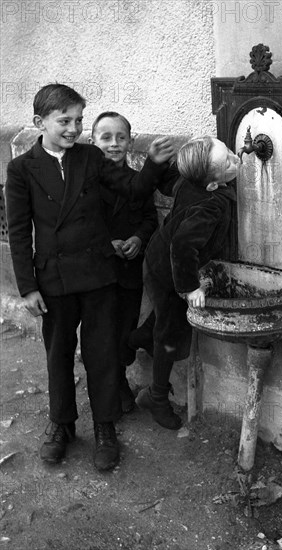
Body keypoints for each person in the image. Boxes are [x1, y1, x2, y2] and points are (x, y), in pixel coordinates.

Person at [5, 84, 173, 471]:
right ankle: (61, 425)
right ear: (39, 123)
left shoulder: (91, 158)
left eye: (79, 120)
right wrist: (27, 287)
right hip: (54, 278)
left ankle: (104, 427)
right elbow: (18, 231)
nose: (74, 128)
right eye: (64, 121)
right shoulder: (21, 170)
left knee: (101, 354)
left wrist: (152, 164)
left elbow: (132, 189)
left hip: (98, 274)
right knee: (58, 354)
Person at [135, 136, 239, 430]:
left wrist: (157, 163)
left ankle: (139, 337)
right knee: (170, 337)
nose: (236, 158)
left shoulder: (187, 179)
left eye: (230, 152)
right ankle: (155, 397)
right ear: (211, 184)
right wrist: (190, 288)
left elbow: (168, 180)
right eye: (228, 161)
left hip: (157, 259)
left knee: (163, 322)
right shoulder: (208, 206)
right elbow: (183, 247)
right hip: (169, 272)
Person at [89, 111, 158, 413]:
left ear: (130, 142)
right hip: (97, 272)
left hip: (128, 271)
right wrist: (108, 243)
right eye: (106, 137)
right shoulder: (87, 183)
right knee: (102, 332)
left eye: (121, 137)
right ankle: (113, 388)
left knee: (125, 328)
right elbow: (82, 223)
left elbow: (149, 218)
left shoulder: (137, 182)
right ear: (93, 142)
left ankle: (119, 379)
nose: (114, 144)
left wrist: (138, 240)